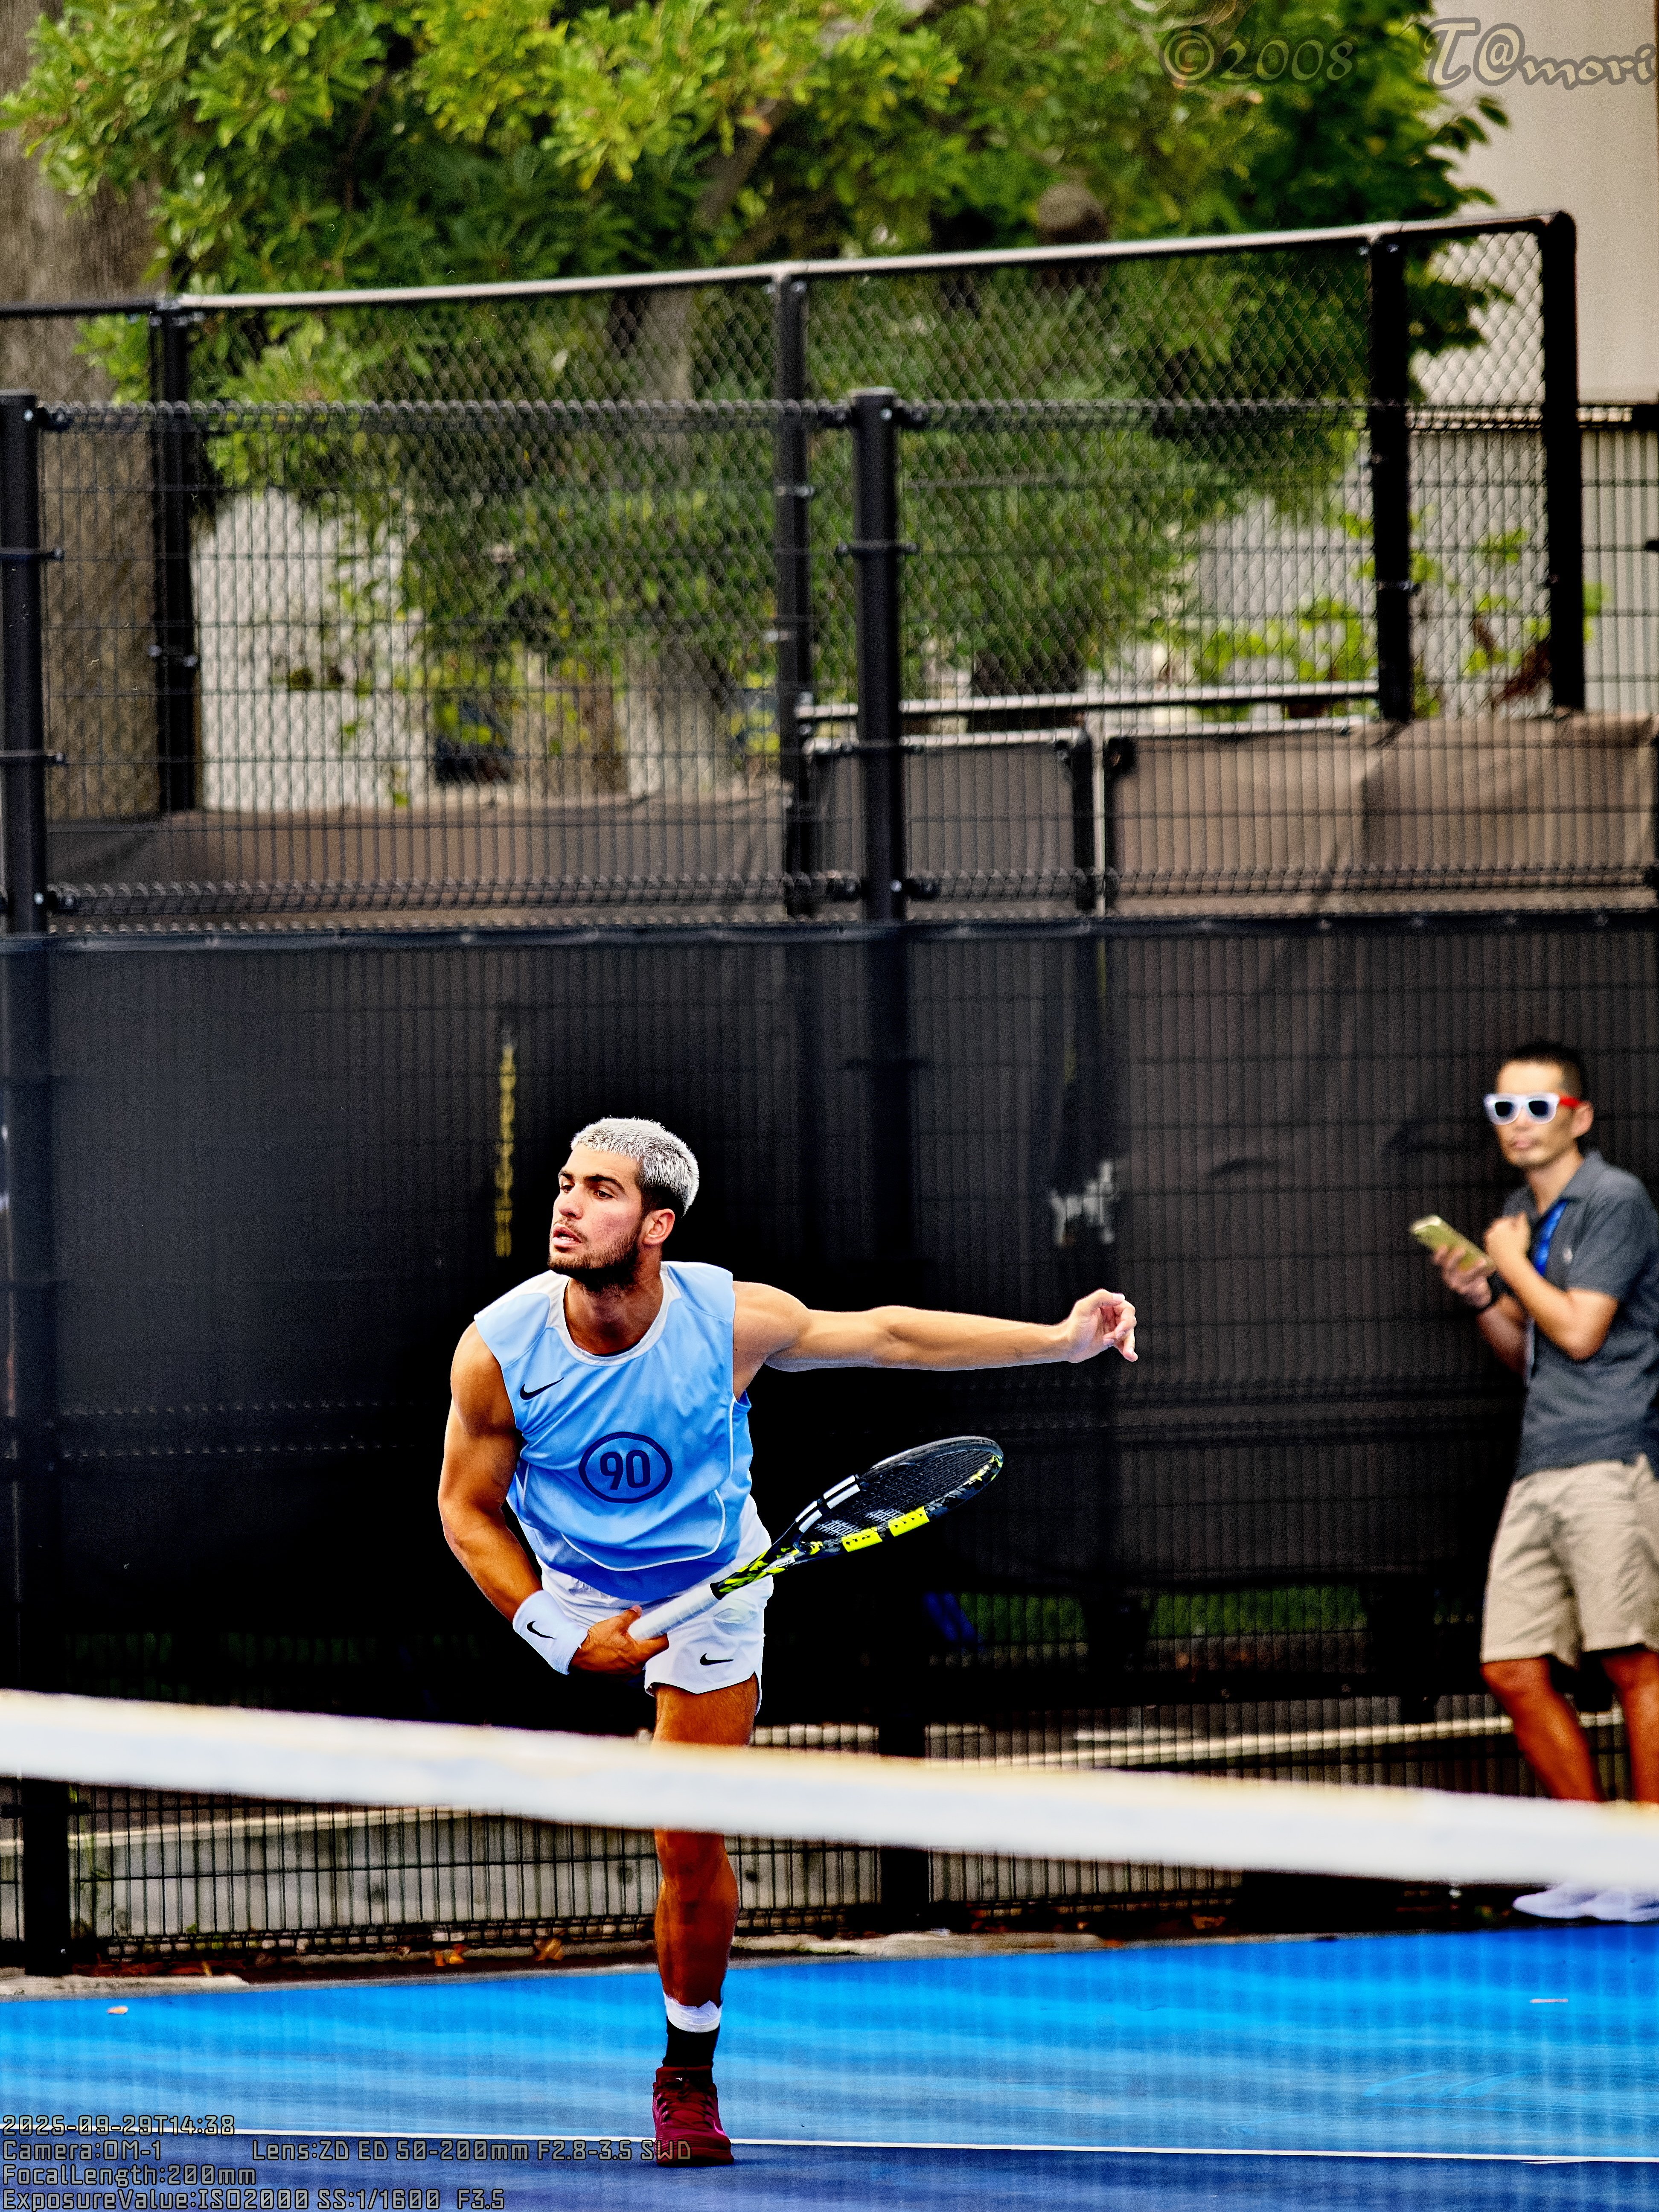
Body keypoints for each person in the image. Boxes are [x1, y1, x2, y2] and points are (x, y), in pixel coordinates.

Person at [437, 1115, 1138, 2164]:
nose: (569, 1205)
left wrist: (1058, 1338)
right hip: (575, 1580)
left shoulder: (729, 1322)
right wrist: (555, 1629)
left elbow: (892, 1334)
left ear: (657, 1223)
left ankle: (685, 2072)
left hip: (713, 1583)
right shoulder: (500, 1348)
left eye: (601, 1190)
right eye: (565, 1184)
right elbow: (466, 1509)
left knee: (687, 1831)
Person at [1430, 1041, 1659, 1923]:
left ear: (1579, 1116)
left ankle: (1648, 1861)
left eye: (1537, 1106)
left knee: (1634, 1659)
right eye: (1504, 1110)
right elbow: (1526, 1350)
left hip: (1611, 1456)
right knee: (1511, 1664)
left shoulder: (1612, 1199)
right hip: (1542, 1460)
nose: (1518, 1125)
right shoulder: (1524, 1219)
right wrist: (1486, 1294)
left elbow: (1581, 1332)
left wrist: (1508, 1261)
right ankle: (1598, 1858)